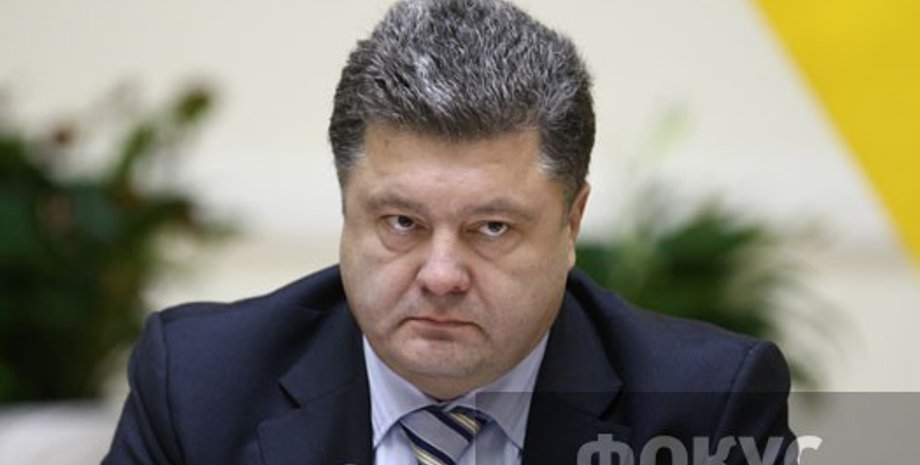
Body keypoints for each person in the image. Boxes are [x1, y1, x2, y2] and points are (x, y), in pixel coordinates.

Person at [103, 0, 797, 464]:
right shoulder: (199, 386)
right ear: (347, 208)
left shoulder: (703, 407)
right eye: (402, 223)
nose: (440, 275)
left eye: (492, 228)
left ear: (572, 222)